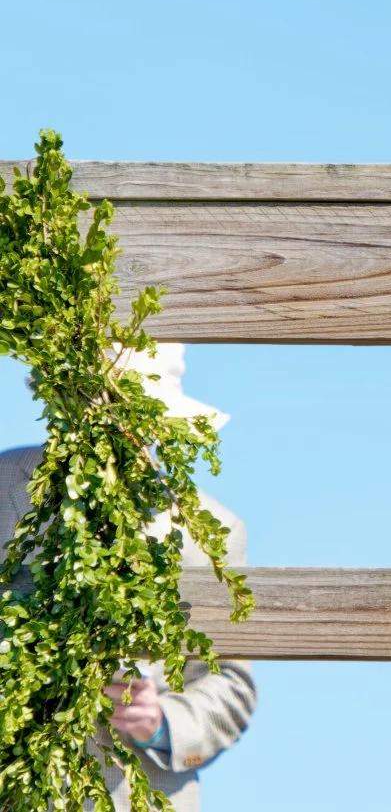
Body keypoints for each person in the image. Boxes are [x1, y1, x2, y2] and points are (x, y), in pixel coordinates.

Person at [0, 344, 257, 811]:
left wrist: (160, 721)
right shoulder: (2, 488)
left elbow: (231, 686)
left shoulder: (211, 530)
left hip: (137, 795)